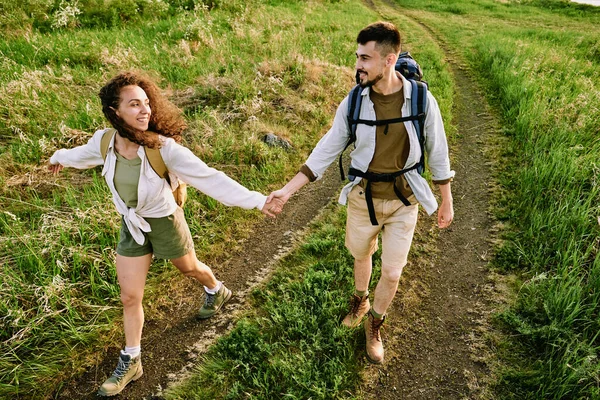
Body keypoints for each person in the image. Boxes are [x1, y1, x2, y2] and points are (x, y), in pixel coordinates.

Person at [48, 71, 281, 396]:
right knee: (130, 296)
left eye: (146, 103)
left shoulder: (164, 149)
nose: (145, 111)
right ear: (115, 113)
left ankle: (216, 289)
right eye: (134, 104)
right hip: (132, 224)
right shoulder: (104, 142)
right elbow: (78, 156)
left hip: (165, 220)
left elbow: (211, 179)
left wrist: (259, 201)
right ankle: (132, 360)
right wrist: (58, 158)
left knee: (189, 268)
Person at [267, 21, 454, 364]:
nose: (358, 65)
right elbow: (326, 148)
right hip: (362, 198)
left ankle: (375, 324)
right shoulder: (354, 101)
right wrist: (288, 190)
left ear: (389, 60)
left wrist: (446, 198)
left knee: (394, 272)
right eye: (357, 57)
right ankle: (360, 298)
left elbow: (438, 150)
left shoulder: (423, 100)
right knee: (361, 254)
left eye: (365, 58)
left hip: (404, 200)